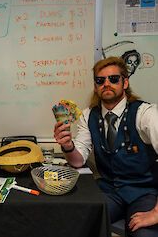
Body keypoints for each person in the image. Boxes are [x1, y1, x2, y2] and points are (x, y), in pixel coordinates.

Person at [54, 56, 158, 237]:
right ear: (95, 86)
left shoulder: (146, 114)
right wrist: (68, 146)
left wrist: (157, 212)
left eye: (114, 79)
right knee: (73, 222)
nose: (107, 84)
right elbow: (78, 161)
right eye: (100, 80)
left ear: (125, 82)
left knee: (144, 234)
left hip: (144, 192)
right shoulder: (88, 116)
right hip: (109, 190)